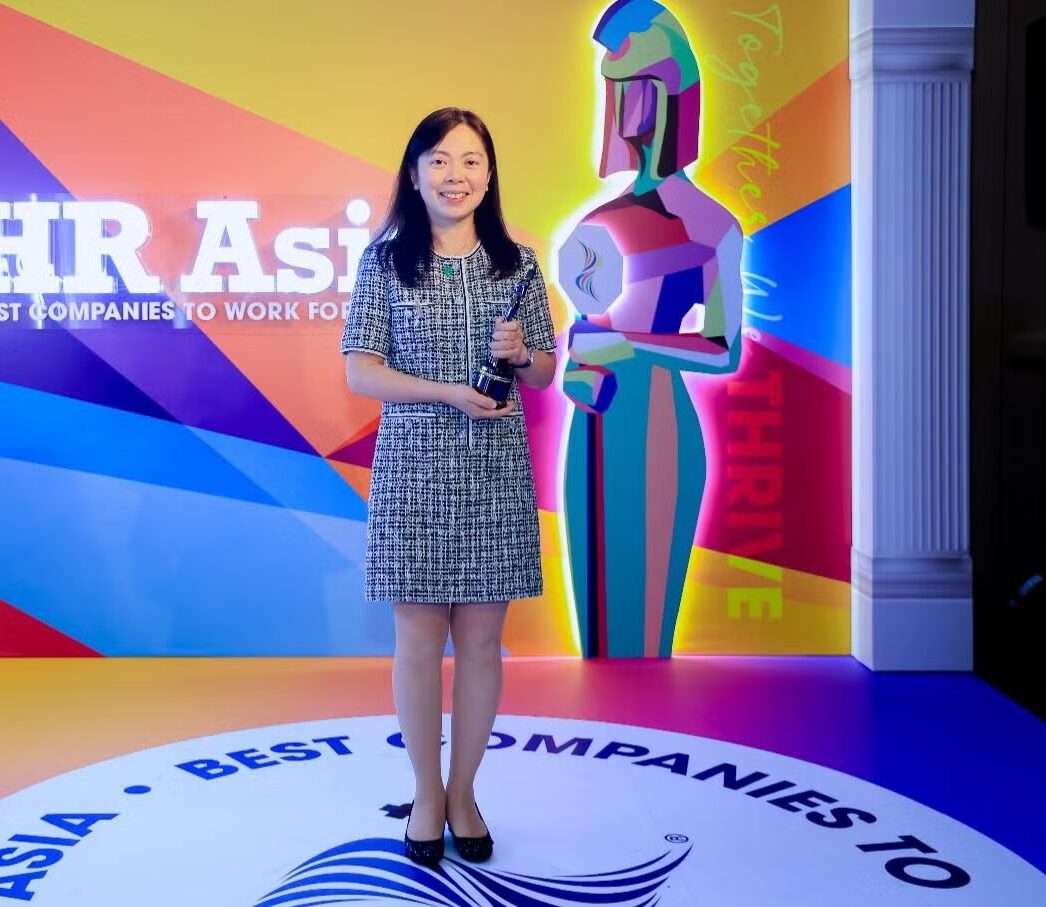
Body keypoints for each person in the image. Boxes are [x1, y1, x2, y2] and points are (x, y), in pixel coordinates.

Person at [340, 107, 557, 866]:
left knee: (484, 642)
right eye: (438, 160)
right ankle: (425, 794)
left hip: (495, 468)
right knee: (417, 641)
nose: (454, 175)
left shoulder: (520, 264)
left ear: (489, 174)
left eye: (469, 161)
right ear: (414, 172)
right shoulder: (384, 261)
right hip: (412, 467)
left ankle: (465, 790)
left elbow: (544, 374)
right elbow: (360, 369)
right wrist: (445, 391)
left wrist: (523, 350)